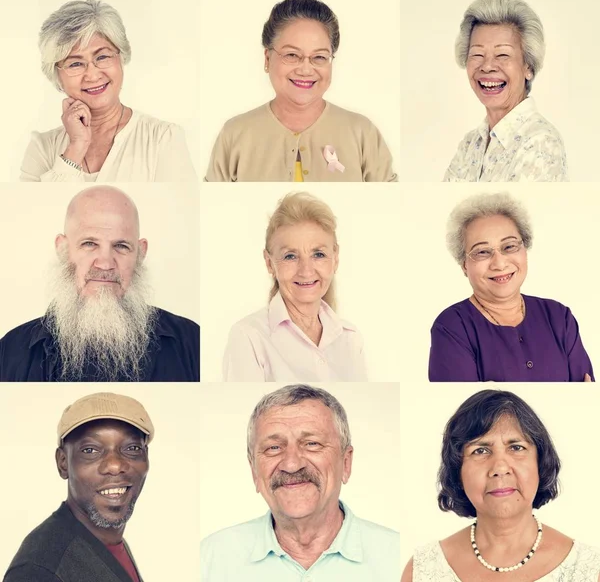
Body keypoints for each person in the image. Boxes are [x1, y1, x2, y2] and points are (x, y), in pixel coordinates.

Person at [0, 186, 199, 381]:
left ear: (140, 253)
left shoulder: (191, 341)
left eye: (121, 246)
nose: (105, 264)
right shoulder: (10, 351)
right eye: (89, 244)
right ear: (63, 249)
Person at [201, 384, 399, 580]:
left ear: (345, 463)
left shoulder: (397, 559)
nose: (292, 464)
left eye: (312, 444)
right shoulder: (211, 559)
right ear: (254, 470)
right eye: (274, 447)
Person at [402, 389, 600, 581]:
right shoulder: (421, 571)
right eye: (480, 451)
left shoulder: (589, 569)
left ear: (540, 462)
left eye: (516, 447)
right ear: (457, 470)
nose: (500, 467)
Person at [205, 0, 396, 182]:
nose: (305, 69)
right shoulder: (235, 133)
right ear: (267, 58)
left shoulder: (362, 133)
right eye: (292, 55)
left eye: (319, 57)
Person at [21, 0, 196, 183]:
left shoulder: (162, 138)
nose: (92, 74)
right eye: (75, 63)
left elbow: (177, 210)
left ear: (121, 59)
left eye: (102, 56)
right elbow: (42, 211)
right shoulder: (42, 148)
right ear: (57, 76)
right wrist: (76, 147)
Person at [429, 192, 593, 381]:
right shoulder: (452, 327)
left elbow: (585, 396)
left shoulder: (558, 317)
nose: (499, 263)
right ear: (464, 264)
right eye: (482, 252)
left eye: (509, 247)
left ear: (525, 250)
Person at [4, 392, 153, 582]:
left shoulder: (108, 541)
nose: (115, 465)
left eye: (132, 448)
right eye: (90, 450)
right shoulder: (39, 571)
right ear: (63, 463)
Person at [222, 192, 367, 382]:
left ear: (336, 258)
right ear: (269, 262)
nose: (306, 271)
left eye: (319, 254)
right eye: (290, 256)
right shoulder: (248, 337)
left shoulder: (351, 338)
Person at [443, 0, 567, 182]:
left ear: (528, 67)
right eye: (477, 54)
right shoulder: (470, 143)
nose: (487, 66)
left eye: (502, 54)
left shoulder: (540, 142)